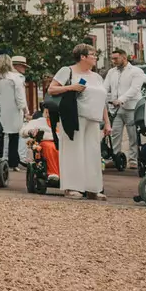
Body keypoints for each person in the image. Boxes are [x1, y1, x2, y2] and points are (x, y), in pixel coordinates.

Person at [49, 44, 110, 199]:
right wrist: (71, 87)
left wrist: (107, 122)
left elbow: (102, 101)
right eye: (92, 54)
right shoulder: (67, 70)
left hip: (94, 118)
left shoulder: (96, 77)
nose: (95, 57)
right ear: (82, 57)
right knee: (73, 151)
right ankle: (72, 187)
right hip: (74, 116)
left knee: (93, 153)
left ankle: (93, 188)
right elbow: (52, 89)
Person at [105, 50, 146, 170]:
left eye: (116, 58)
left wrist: (121, 99)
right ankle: (115, 158)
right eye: (112, 59)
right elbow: (105, 87)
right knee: (115, 134)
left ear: (124, 57)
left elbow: (135, 89)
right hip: (115, 109)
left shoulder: (136, 71)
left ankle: (133, 160)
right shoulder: (111, 72)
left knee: (133, 135)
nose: (113, 61)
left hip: (131, 108)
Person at [0, 54, 27, 156]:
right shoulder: (15, 78)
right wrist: (25, 109)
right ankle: (13, 161)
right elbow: (20, 96)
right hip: (12, 110)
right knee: (14, 135)